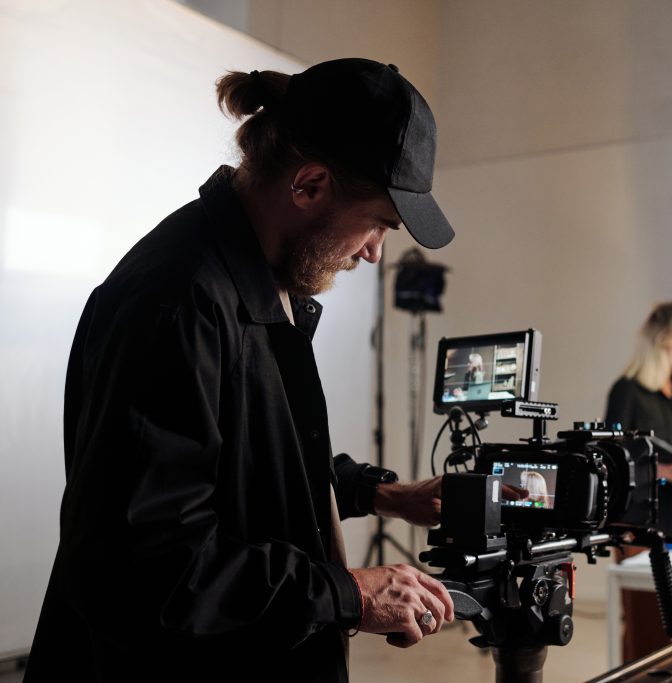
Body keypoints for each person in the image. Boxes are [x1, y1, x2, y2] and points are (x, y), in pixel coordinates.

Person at [25, 59, 459, 683]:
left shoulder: (254, 281)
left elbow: (248, 466)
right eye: (379, 224)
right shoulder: (180, 302)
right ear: (309, 185)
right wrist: (352, 594)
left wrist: (381, 494)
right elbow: (155, 566)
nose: (373, 252)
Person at [604, 300, 672, 661]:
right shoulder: (626, 391)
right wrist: (661, 472)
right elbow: (610, 460)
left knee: (667, 619)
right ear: (662, 338)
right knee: (644, 619)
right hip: (635, 519)